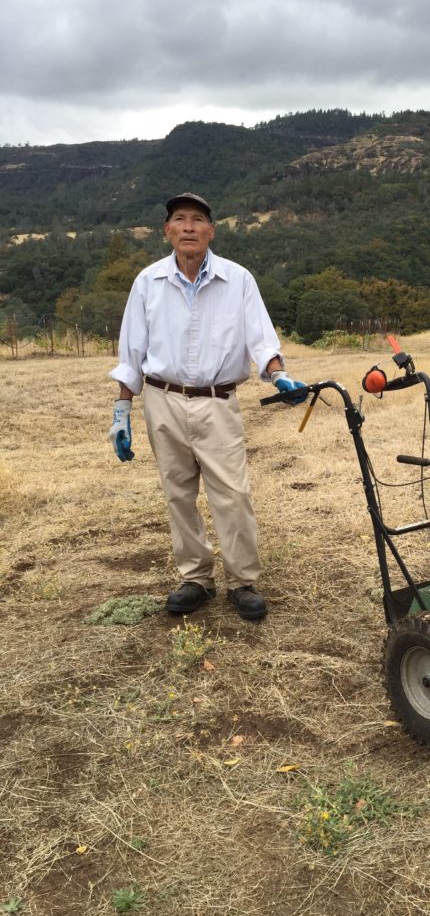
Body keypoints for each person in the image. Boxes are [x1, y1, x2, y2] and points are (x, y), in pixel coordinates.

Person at [107, 192, 305, 621]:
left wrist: (278, 373)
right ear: (168, 231)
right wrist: (122, 410)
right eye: (180, 219)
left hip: (218, 402)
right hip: (162, 401)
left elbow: (262, 339)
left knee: (232, 494)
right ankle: (196, 578)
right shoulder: (148, 283)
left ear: (211, 231)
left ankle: (242, 581)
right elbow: (131, 354)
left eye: (198, 219)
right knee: (178, 494)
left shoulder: (238, 281)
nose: (189, 226)